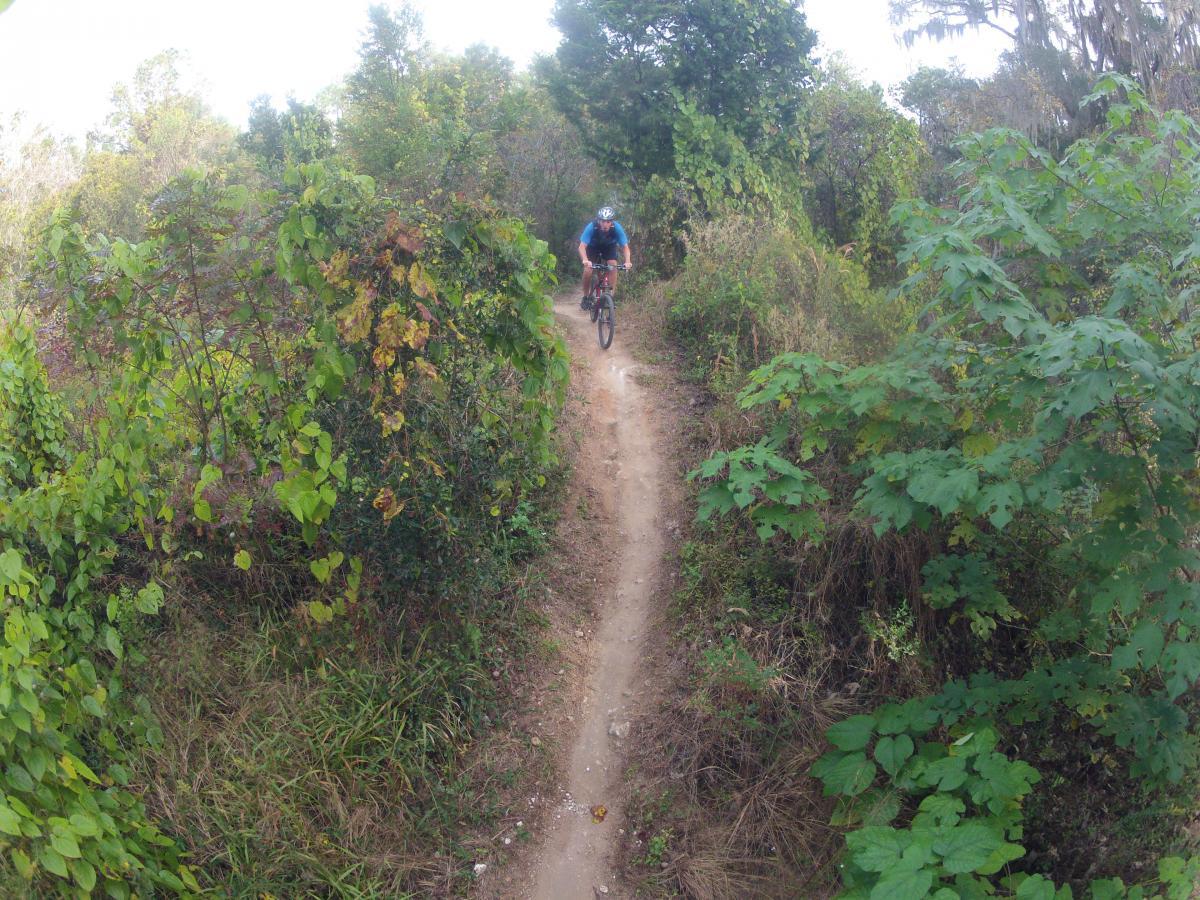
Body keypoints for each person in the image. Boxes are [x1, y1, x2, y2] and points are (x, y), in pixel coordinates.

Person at [578, 207, 632, 310]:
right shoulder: (592, 227)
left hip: (608, 247)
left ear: (612, 222)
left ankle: (610, 297)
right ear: (599, 220)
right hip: (593, 247)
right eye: (603, 221)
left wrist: (628, 262)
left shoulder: (617, 228)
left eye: (608, 221)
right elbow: (581, 247)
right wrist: (585, 260)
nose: (605, 224)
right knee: (588, 270)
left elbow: (625, 247)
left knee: (613, 265)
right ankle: (585, 297)